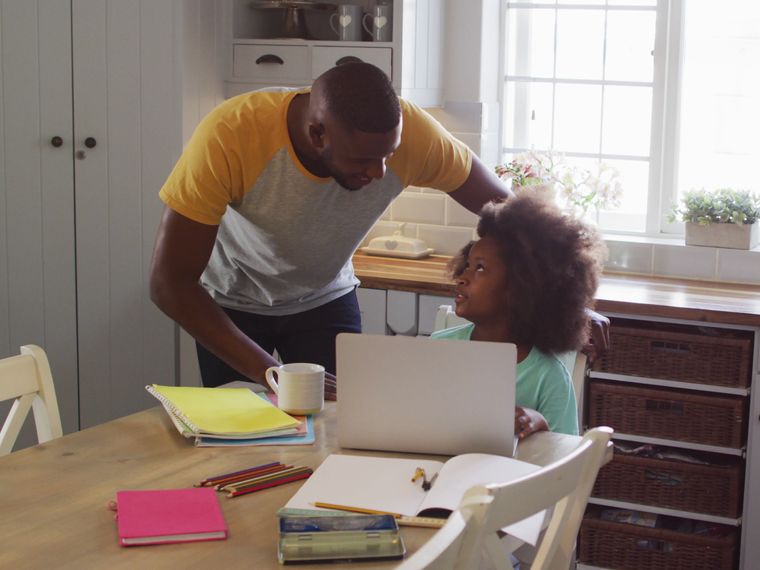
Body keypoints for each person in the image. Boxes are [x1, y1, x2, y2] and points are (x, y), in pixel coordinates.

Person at [150, 62, 515, 393]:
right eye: (363, 160)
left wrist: (557, 293)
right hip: (233, 302)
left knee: (340, 432)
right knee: (240, 448)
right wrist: (273, 374)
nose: (379, 172)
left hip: (325, 298)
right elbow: (169, 284)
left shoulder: (413, 132)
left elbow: (513, 216)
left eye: (389, 155)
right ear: (318, 134)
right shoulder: (231, 133)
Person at [430, 193, 606, 437]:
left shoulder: (548, 376)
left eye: (480, 268)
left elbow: (565, 461)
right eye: (468, 265)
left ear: (520, 287)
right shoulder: (438, 348)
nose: (462, 276)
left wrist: (541, 425)